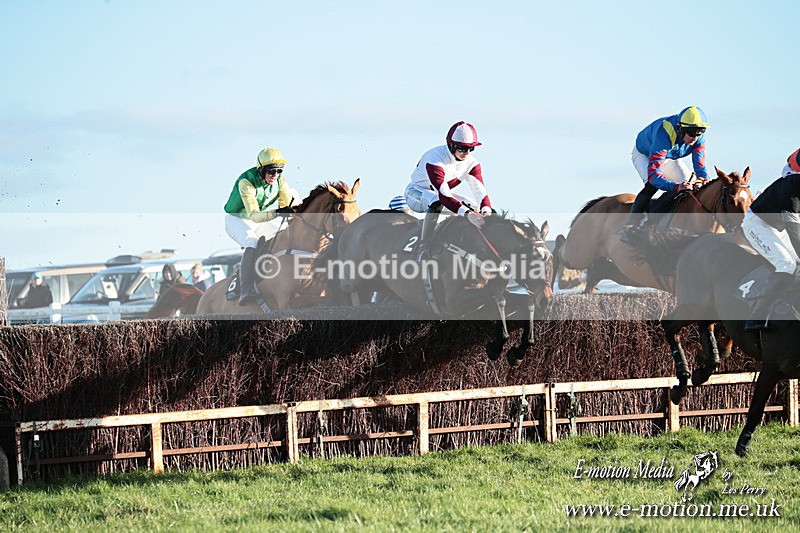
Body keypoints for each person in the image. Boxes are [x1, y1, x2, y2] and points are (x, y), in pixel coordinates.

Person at [404, 121, 493, 260]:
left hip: (441, 195)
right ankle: (423, 248)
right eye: (462, 148)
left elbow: (480, 191)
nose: (466, 153)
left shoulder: (472, 163)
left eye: (471, 148)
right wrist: (467, 214)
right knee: (437, 202)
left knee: (475, 207)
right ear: (451, 145)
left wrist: (486, 210)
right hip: (416, 193)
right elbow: (444, 196)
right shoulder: (435, 159)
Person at [621, 106, 710, 243]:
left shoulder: (698, 137)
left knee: (688, 185)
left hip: (669, 156)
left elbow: (700, 167)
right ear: (680, 128)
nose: (695, 137)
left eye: (700, 132)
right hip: (645, 154)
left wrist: (703, 180)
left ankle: (679, 224)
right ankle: (631, 226)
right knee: (652, 185)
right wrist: (675, 186)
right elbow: (654, 175)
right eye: (691, 133)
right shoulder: (665, 133)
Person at [224, 147, 295, 305]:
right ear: (261, 169)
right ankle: (245, 288)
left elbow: (288, 204)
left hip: (258, 220)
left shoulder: (280, 181)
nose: (275, 175)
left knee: (282, 236)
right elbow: (255, 216)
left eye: (279, 171)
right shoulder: (246, 182)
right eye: (271, 171)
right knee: (252, 242)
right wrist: (279, 212)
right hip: (236, 219)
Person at [741, 147, 800, 330]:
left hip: (780, 226)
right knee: (787, 264)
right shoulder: (792, 187)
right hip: (758, 225)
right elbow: (794, 233)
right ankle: (757, 316)